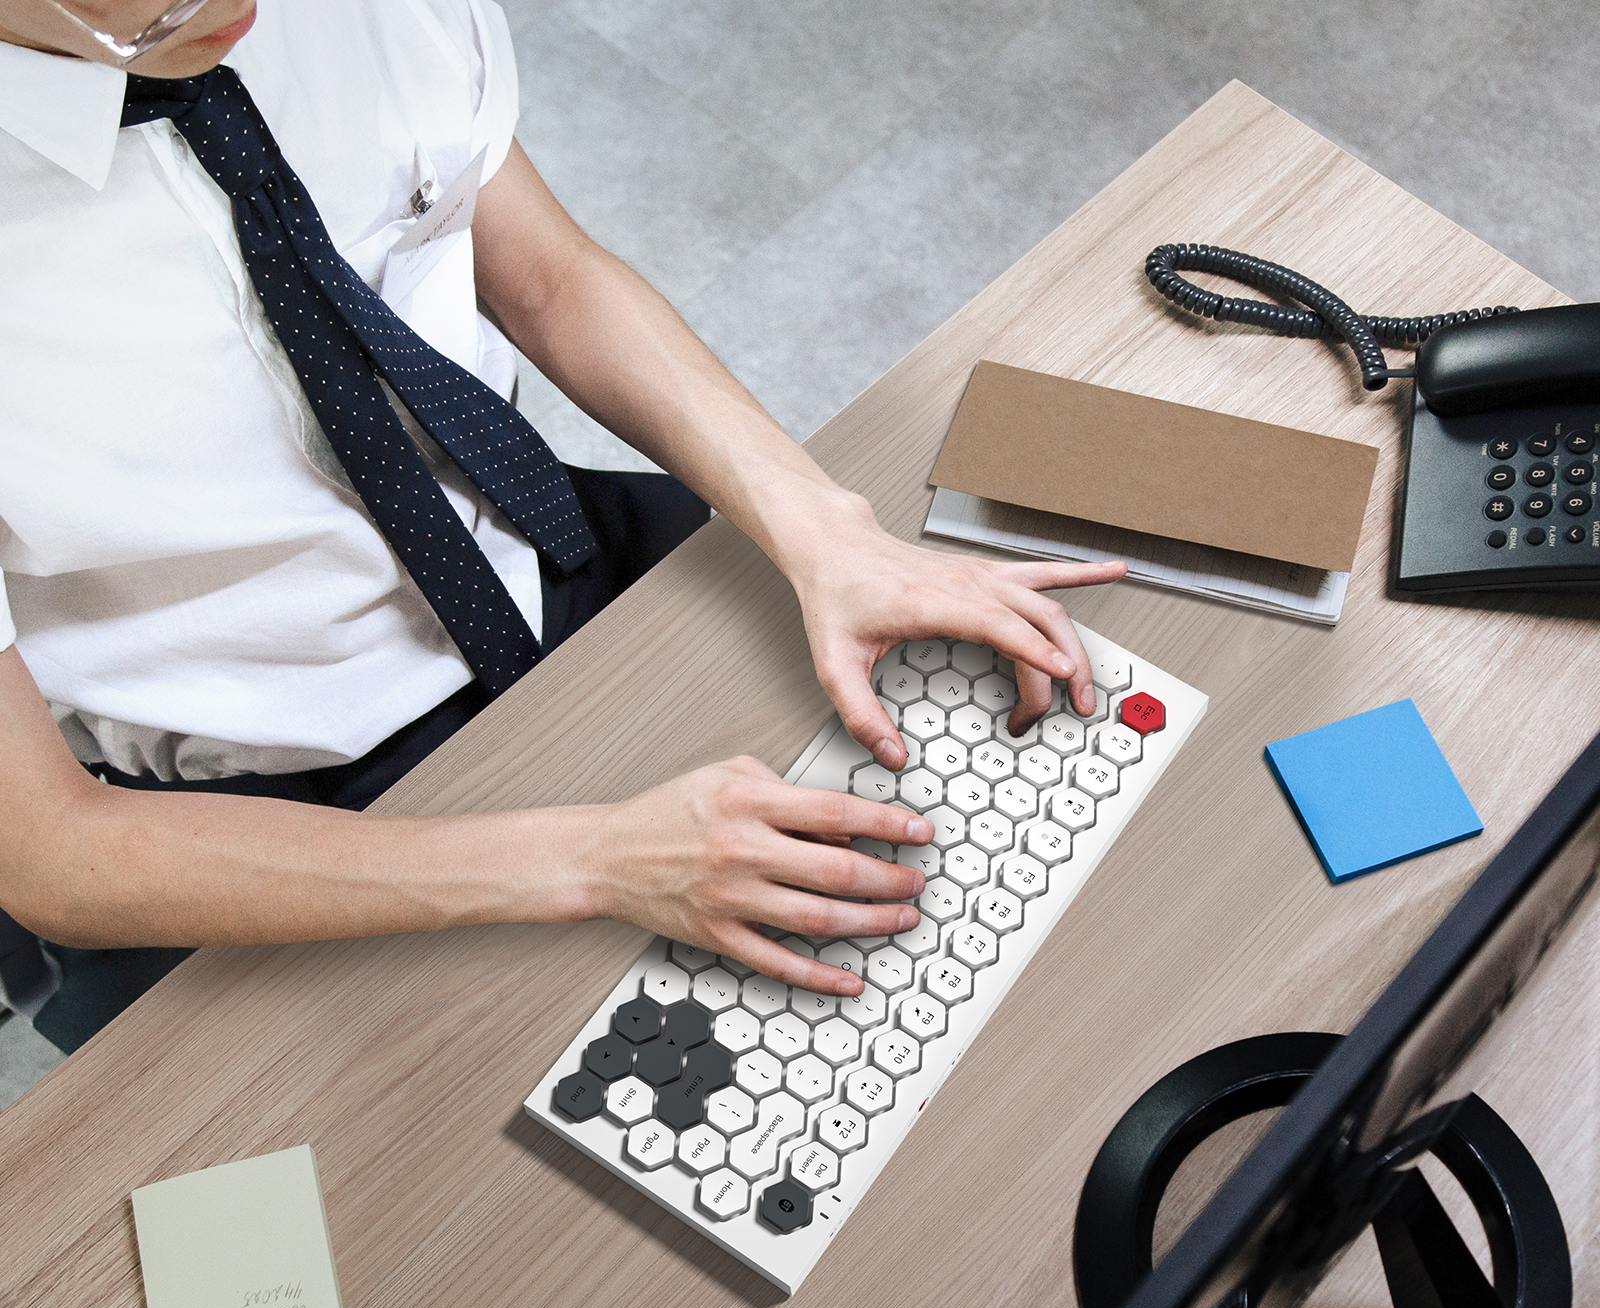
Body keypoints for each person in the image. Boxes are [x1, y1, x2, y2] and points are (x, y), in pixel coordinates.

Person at [0, 0, 1125, 1055]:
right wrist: (590, 859)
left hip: (557, 558)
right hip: (257, 799)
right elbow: (52, 848)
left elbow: (546, 275)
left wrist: (820, 525)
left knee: (1032, 900)